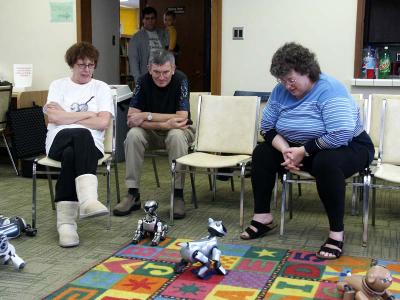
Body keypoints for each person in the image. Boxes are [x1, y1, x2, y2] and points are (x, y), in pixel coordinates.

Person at [240, 42, 374, 260]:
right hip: (300, 148)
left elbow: (340, 134)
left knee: (326, 163)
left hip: (349, 147)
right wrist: (286, 151)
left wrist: (303, 150)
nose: (286, 86)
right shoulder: (280, 91)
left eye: (291, 80)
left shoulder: (330, 89)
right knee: (262, 153)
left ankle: (336, 234)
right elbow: (266, 127)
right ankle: (263, 218)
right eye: (282, 80)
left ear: (308, 72)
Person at [44, 42, 114, 248]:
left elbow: (103, 122)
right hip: (57, 141)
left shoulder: (101, 88)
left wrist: (67, 116)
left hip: (92, 148)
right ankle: (88, 200)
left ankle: (66, 224)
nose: (87, 70)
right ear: (72, 64)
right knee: (82, 134)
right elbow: (52, 118)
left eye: (91, 65)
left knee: (72, 154)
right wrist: (87, 114)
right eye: (82, 65)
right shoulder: (58, 85)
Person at [113, 49, 194, 219]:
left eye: (165, 72)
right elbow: (131, 118)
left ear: (173, 68)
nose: (161, 77)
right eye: (156, 72)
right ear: (149, 68)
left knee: (176, 135)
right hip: (152, 131)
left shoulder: (181, 80)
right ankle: (133, 193)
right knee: (133, 135)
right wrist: (162, 122)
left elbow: (181, 118)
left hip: (179, 131)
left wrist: (145, 116)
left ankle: (177, 194)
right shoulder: (142, 81)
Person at [129, 6, 168, 82]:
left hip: (164, 76)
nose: (150, 21)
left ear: (155, 19)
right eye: (147, 18)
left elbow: (171, 50)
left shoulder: (163, 34)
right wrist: (138, 81)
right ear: (143, 20)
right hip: (147, 77)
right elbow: (133, 61)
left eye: (152, 18)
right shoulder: (136, 38)